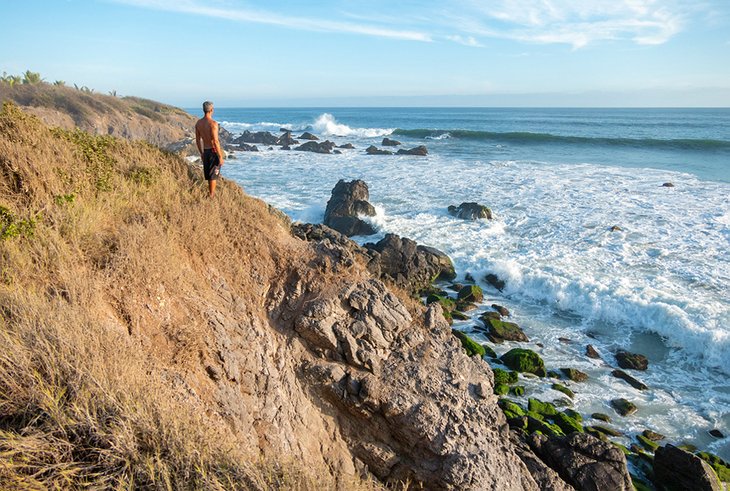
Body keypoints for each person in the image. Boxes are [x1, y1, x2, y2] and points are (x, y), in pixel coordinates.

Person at [195, 101, 224, 197]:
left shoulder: (198, 123)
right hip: (213, 152)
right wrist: (220, 156)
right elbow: (216, 141)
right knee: (213, 177)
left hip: (206, 152)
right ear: (212, 110)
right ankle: (211, 196)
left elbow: (198, 140)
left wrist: (201, 153)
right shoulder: (213, 124)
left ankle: (210, 194)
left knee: (209, 175)